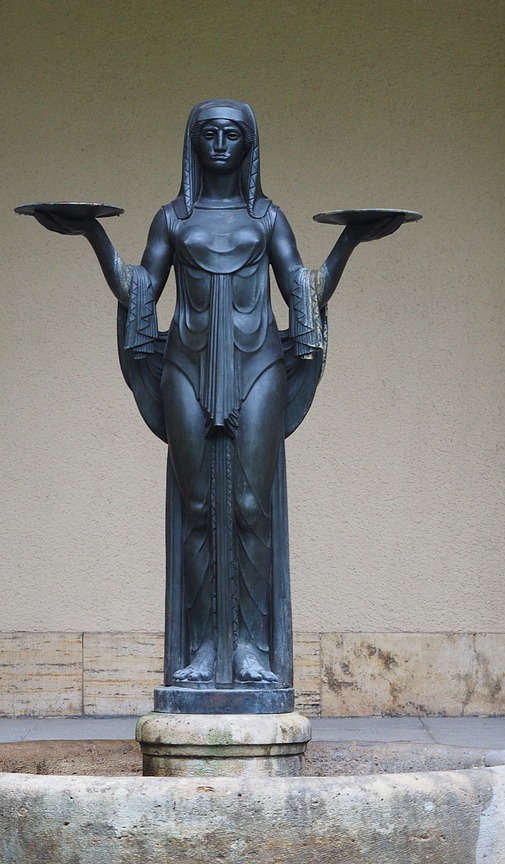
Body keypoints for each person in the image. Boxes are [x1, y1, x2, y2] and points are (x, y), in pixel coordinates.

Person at [34, 100, 401, 709]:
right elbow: (141, 291)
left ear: (250, 144)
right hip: (187, 366)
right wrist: (93, 236)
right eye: (211, 133)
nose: (222, 143)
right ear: (194, 143)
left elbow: (302, 293)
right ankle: (206, 649)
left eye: (234, 133)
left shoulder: (267, 218)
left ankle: (251, 649)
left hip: (257, 367)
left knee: (253, 505)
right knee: (199, 506)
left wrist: (349, 243)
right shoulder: (173, 219)